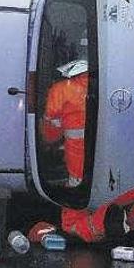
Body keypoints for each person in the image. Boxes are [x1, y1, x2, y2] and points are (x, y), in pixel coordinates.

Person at [42, 58, 89, 188]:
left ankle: (76, 186)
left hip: (74, 138)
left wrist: (48, 139)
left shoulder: (61, 88)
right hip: (100, 135)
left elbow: (51, 115)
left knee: (77, 169)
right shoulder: (100, 84)